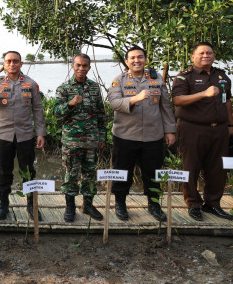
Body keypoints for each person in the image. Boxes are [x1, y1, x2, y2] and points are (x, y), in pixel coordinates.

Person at [107, 45, 176, 221]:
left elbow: (166, 106)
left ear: (145, 59)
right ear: (126, 61)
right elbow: (113, 103)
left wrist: (169, 130)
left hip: (153, 136)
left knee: (152, 172)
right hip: (125, 135)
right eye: (132, 58)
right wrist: (135, 99)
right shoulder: (119, 80)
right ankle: (120, 203)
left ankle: (153, 204)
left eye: (140, 57)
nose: (136, 60)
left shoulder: (157, 79)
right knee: (122, 171)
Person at [0, 51, 46, 220]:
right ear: (4, 63)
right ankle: (3, 204)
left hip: (25, 135)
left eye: (15, 61)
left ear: (21, 63)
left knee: (28, 172)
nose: (12, 64)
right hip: (4, 135)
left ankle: (31, 205)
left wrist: (40, 133)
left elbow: (38, 109)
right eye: (8, 61)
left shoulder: (31, 84)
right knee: (4, 172)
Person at [172, 41, 233, 221]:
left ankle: (213, 204)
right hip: (192, 129)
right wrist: (203, 94)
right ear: (193, 57)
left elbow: (227, 102)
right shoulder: (185, 77)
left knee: (218, 169)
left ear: (214, 56)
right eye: (201, 53)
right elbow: (178, 100)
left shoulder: (223, 77)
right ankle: (193, 204)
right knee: (191, 168)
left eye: (209, 53)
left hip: (220, 130)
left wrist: (230, 125)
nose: (205, 56)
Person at [55, 54, 106, 222]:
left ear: (89, 68)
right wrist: (70, 104)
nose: (81, 68)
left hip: (91, 140)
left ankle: (88, 205)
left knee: (89, 174)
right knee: (71, 174)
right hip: (71, 141)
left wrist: (102, 136)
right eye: (78, 65)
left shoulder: (94, 87)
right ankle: (70, 206)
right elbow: (56, 114)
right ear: (72, 66)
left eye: (85, 65)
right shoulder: (64, 88)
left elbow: (100, 114)